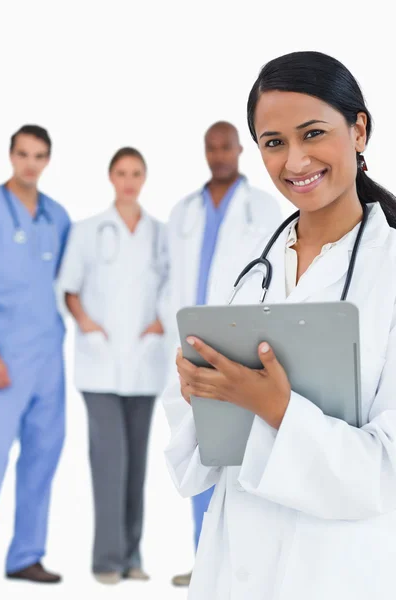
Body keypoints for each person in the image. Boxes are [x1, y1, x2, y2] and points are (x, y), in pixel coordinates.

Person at [162, 51, 396, 599]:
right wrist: (203, 391)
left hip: (339, 568)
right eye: (273, 142)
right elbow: (201, 455)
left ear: (359, 130)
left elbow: (386, 471)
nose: (295, 160)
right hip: (236, 562)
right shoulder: (251, 263)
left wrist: (276, 408)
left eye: (313, 133)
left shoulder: (389, 267)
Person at [163, 121, 282, 587]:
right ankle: (202, 559)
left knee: (237, 454)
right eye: (211, 148)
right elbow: (169, 275)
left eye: (225, 147)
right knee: (198, 452)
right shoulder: (182, 211)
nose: (218, 155)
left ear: (239, 150)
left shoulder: (263, 206)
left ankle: (240, 563)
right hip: (187, 348)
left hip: (234, 343)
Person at [57, 147, 168, 585]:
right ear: (110, 177)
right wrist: (89, 327)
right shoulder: (88, 230)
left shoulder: (160, 233)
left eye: (136, 173)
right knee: (110, 461)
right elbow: (69, 288)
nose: (129, 180)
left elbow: (171, 287)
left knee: (136, 465)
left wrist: (159, 326)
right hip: (99, 364)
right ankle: (107, 560)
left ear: (145, 177)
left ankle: (132, 556)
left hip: (144, 363)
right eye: (121, 172)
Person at [0, 125, 71, 584]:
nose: (30, 163)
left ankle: (26, 555)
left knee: (43, 455)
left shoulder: (57, 216)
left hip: (48, 355)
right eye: (23, 154)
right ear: (10, 155)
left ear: (47, 161)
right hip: (5, 357)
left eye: (39, 156)